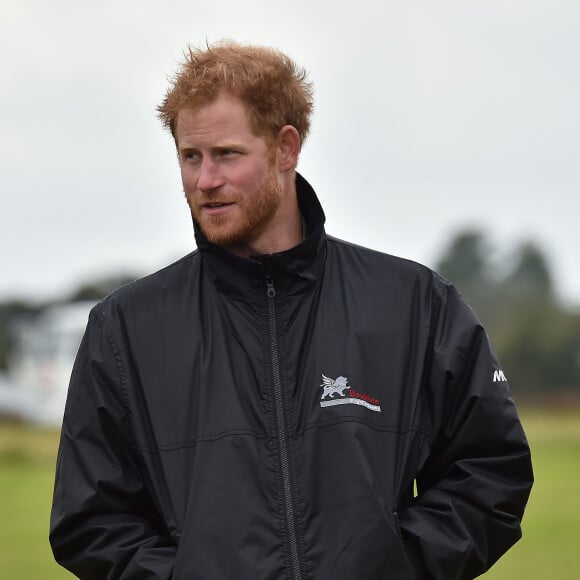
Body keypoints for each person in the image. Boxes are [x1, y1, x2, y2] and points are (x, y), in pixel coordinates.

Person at [50, 41, 533, 580]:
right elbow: (90, 521)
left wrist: (398, 567)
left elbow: (491, 472)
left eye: (227, 154)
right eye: (191, 156)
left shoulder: (415, 303)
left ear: (286, 148)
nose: (204, 180)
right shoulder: (125, 330)